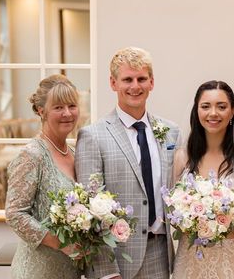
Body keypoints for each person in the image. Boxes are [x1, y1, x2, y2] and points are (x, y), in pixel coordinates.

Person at [75, 47, 181, 279]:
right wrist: (106, 271)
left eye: (142, 79)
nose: (135, 86)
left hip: (161, 255)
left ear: (151, 82)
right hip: (117, 258)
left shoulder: (171, 132)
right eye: (127, 80)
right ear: (113, 83)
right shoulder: (93, 136)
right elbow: (90, 209)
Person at [171, 80, 234, 279]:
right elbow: (173, 209)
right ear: (197, 111)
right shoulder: (182, 157)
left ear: (232, 112)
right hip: (191, 261)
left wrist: (219, 228)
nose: (213, 113)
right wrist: (191, 222)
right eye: (205, 106)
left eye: (221, 107)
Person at [5, 74, 82, 279]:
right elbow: (15, 214)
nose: (67, 113)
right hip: (38, 271)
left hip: (69, 271)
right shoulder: (32, 155)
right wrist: (62, 243)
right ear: (42, 111)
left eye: (72, 106)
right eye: (58, 107)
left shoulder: (74, 153)